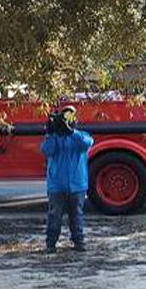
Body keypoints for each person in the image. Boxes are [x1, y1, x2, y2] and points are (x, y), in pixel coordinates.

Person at [40, 105, 93, 253]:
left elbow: (86, 144)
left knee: (76, 215)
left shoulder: (81, 135)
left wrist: (71, 132)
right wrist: (50, 133)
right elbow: (46, 150)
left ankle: (79, 242)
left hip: (76, 185)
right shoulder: (55, 138)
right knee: (54, 216)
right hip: (57, 185)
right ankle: (51, 244)